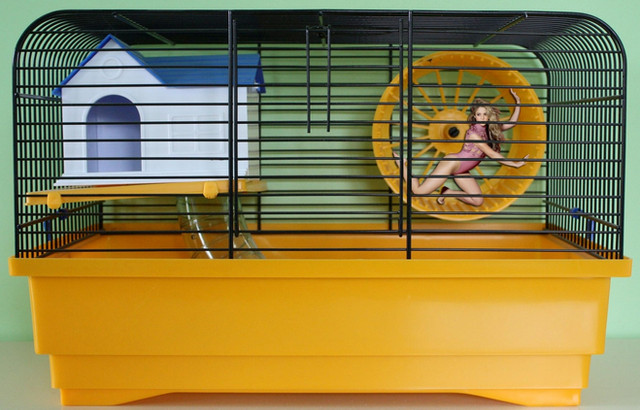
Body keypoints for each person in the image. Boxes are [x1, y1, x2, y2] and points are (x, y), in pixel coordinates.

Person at [395, 88, 528, 206]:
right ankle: (403, 164)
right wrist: (515, 164)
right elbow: (492, 154)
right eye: (479, 114)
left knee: (478, 201)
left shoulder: (490, 129)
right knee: (418, 191)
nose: (482, 117)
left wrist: (518, 103)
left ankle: (448, 192)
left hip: (462, 170)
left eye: (484, 114)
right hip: (452, 163)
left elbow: (512, 123)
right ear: (474, 117)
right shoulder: (474, 134)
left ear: (489, 116)